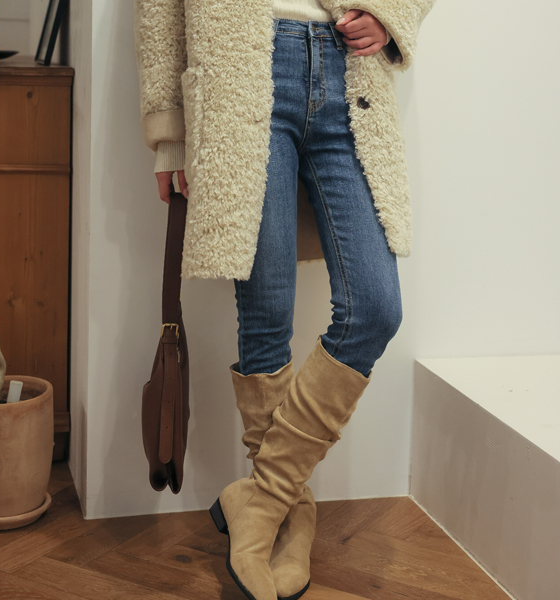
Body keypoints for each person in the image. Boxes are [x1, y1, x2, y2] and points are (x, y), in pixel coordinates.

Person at [134, 2, 435, 599]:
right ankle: (290, 516)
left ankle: (263, 500)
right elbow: (158, 8)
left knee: (375, 309)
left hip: (348, 70)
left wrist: (390, 14)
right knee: (266, 315)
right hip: (240, 68)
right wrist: (168, 136)